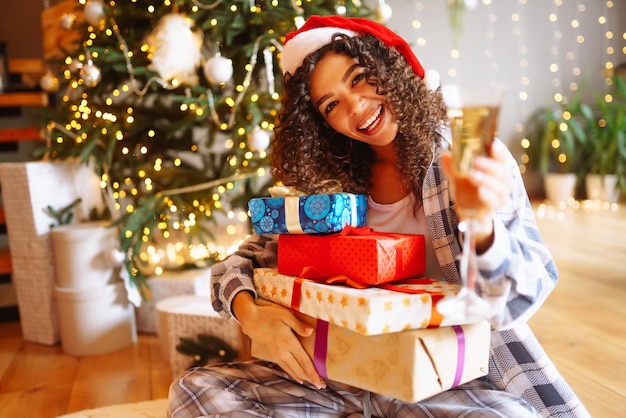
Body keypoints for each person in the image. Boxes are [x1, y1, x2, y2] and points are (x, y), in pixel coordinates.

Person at [168, 15, 589, 418]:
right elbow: (237, 265)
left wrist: (482, 225)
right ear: (323, 123)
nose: (355, 107)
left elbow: (520, 294)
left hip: (441, 384)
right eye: (331, 104)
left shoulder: (466, 160)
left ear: (388, 67)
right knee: (196, 392)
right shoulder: (326, 187)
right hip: (333, 377)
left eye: (357, 78)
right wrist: (251, 314)